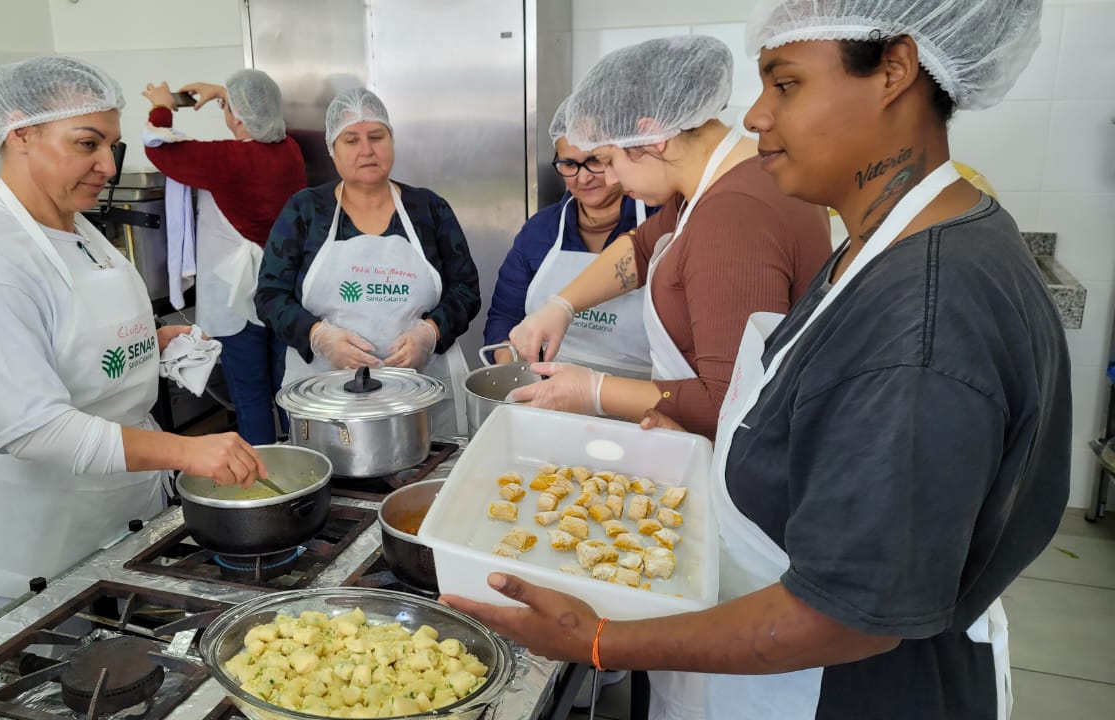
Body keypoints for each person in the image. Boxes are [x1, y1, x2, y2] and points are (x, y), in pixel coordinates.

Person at [444, 2, 1068, 719]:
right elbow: (658, 258)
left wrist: (600, 639)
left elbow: (847, 615)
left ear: (894, 71)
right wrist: (560, 309)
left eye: (786, 85)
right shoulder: (882, 245)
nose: (754, 117)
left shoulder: (925, 314)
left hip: (840, 692)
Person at [0, 56, 266, 622]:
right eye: (88, 144)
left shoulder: (78, 227)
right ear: (21, 134)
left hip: (123, 517)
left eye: (112, 146)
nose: (107, 166)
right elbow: (34, 428)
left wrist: (149, 340)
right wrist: (190, 451)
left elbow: (71, 341)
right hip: (42, 543)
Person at [505, 35, 830, 435]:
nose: (609, 180)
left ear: (652, 135)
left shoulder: (733, 216)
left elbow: (729, 402)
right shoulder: (717, 185)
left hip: (742, 463)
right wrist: (561, 306)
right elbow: (641, 248)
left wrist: (596, 391)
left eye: (607, 160)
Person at [257, 88, 480, 437]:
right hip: (327, 398)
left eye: (377, 136)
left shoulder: (429, 209)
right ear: (333, 150)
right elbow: (270, 296)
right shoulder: (305, 211)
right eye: (351, 140)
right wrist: (317, 335)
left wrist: (430, 332)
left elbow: (466, 289)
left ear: (391, 141)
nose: (366, 150)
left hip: (421, 398)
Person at [141, 70, 307, 444]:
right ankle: (304, 461)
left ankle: (264, 479)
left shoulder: (227, 159)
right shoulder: (290, 152)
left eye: (229, 106)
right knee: (290, 389)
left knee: (250, 396)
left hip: (235, 297)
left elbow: (157, 146)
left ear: (235, 115)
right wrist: (224, 93)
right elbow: (256, 119)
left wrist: (163, 107)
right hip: (284, 289)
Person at [483, 99, 657, 377]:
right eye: (569, 164)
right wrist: (513, 365)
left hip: (640, 396)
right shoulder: (540, 232)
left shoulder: (659, 221)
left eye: (594, 161)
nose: (583, 177)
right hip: (548, 390)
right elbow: (504, 316)